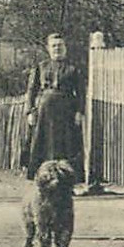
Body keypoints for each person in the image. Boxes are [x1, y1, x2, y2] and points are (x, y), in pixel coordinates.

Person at [23, 32, 85, 181]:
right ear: (48, 49)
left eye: (60, 45)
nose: (57, 48)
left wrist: (79, 112)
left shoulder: (73, 69)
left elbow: (81, 92)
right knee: (42, 144)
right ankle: (43, 178)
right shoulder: (41, 67)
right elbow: (31, 91)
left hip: (66, 113)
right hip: (45, 113)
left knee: (68, 145)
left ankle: (67, 179)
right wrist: (30, 112)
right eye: (54, 46)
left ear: (65, 48)